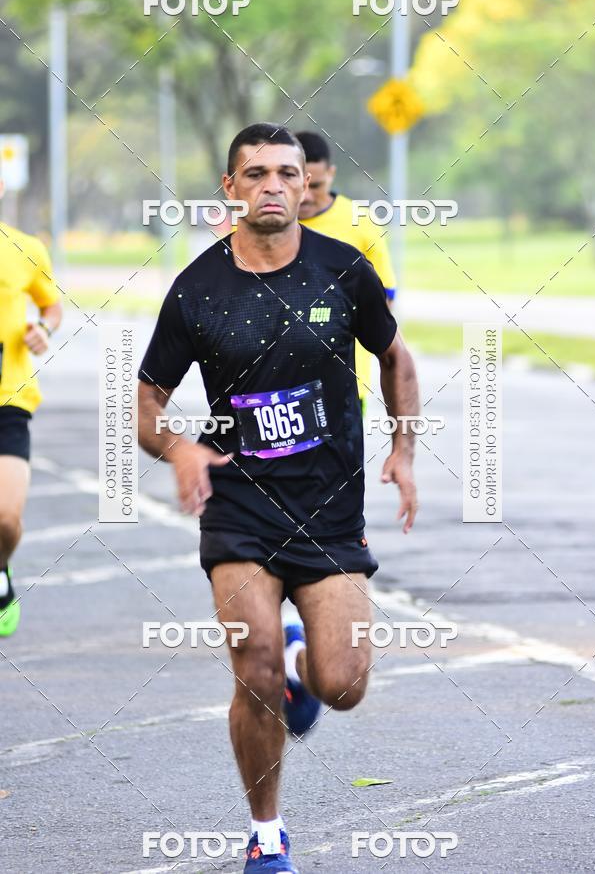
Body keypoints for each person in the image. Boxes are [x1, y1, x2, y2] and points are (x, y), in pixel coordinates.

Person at [137, 123, 419, 873]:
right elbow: (145, 402)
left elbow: (394, 356)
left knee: (345, 684)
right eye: (254, 173)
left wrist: (404, 448)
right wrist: (181, 446)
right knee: (251, 660)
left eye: (285, 173)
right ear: (230, 188)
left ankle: (305, 672)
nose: (271, 185)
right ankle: (266, 834)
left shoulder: (344, 270)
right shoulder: (197, 288)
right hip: (238, 504)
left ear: (307, 186)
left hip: (329, 508)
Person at [296, 131, 396, 416]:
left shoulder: (359, 221)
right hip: (273, 386)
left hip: (345, 382)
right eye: (297, 183)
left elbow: (385, 297)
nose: (305, 196)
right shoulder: (258, 225)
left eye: (315, 184)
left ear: (331, 173)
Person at [0, 183, 62, 637]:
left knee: (5, 518)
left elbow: (51, 306)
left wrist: (41, 327)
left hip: (9, 400)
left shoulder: (26, 248)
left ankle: (0, 569)